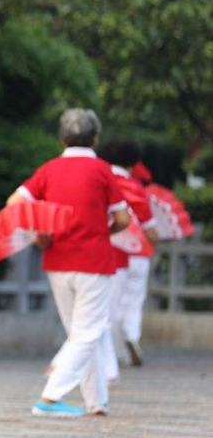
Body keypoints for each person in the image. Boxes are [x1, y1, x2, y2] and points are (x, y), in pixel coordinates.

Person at [7, 109, 130, 419]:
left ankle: (96, 401)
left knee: (79, 333)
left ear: (61, 137)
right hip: (93, 259)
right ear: (95, 138)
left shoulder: (48, 169)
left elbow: (15, 203)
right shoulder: (103, 171)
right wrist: (104, 229)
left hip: (58, 259)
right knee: (88, 333)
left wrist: (38, 233)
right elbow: (124, 219)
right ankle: (49, 397)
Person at [98, 139, 158, 384]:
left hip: (110, 250)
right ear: (134, 162)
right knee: (133, 301)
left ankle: (116, 353)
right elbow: (150, 228)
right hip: (139, 253)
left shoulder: (103, 181)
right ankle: (132, 335)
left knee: (109, 304)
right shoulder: (136, 187)